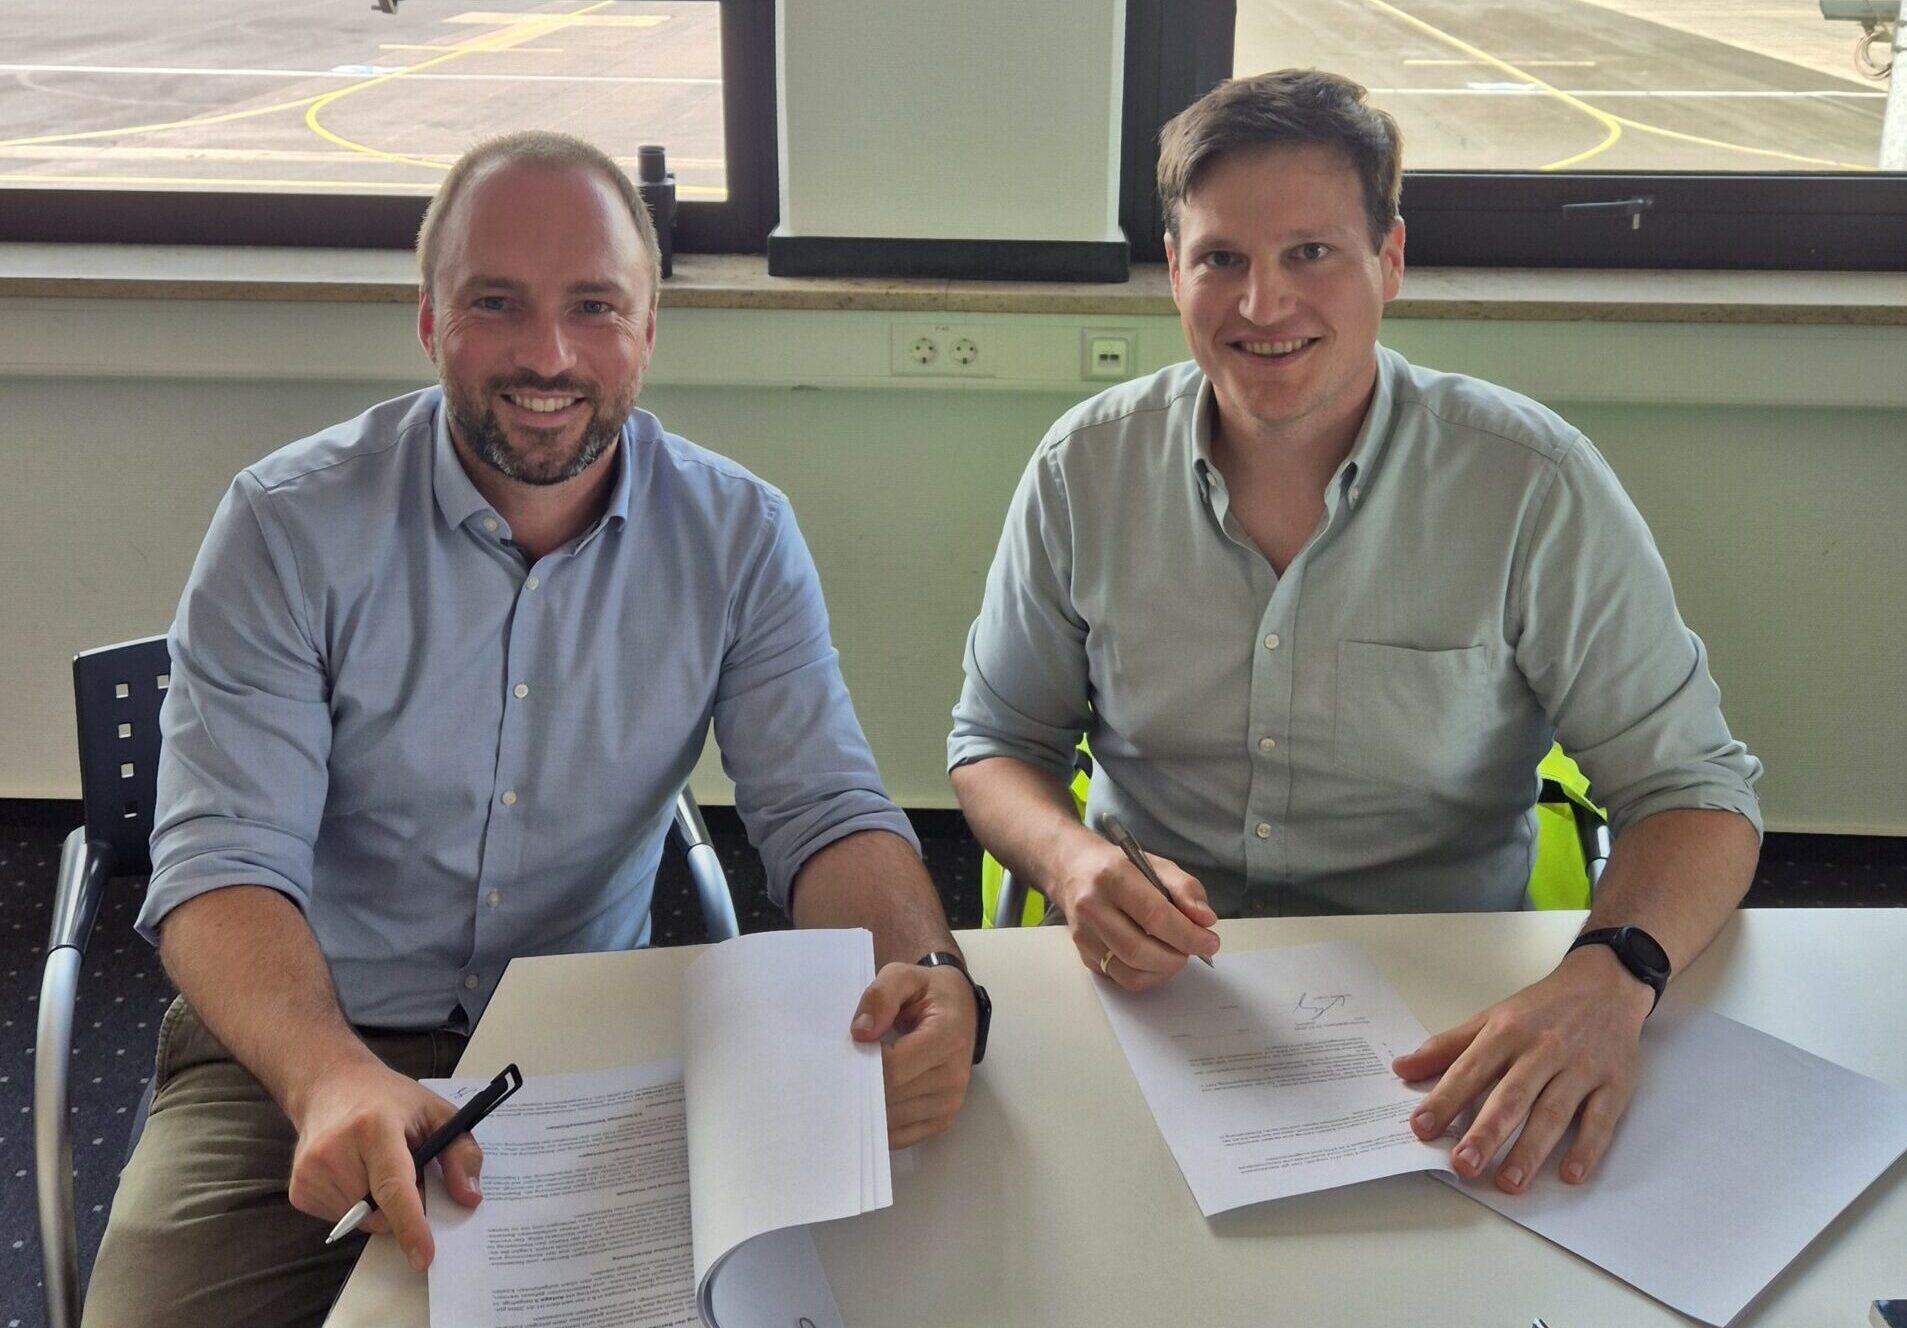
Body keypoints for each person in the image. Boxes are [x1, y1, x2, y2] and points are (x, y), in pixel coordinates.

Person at [84, 131, 980, 1328]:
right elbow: (222, 862)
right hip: (294, 1039)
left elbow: (824, 811)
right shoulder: (286, 527)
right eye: (495, 303)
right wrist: (330, 1074)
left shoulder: (739, 539)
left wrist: (925, 972)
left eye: (593, 306)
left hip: (579, 1044)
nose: (548, 355)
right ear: (429, 321)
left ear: (648, 329)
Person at [949, 70, 1760, 1199]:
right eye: (1220, 259)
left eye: (1310, 252)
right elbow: (995, 742)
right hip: (1153, 992)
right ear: (1173, 272)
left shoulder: (1529, 484)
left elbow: (1695, 794)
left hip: (1449, 1006)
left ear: (1389, 259)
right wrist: (1070, 860)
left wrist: (1611, 970)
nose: (1261, 304)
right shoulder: (1082, 469)